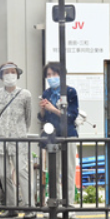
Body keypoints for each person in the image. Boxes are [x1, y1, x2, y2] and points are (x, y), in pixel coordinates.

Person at [0, 62, 34, 219]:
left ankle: (30, 207)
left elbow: (28, 118)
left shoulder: (25, 95)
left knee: (22, 172)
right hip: (0, 138)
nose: (10, 75)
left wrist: (21, 130)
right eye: (6, 72)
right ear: (1, 76)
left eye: (12, 72)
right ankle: (11, 207)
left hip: (18, 138)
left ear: (17, 74)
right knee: (3, 175)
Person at [38, 61, 79, 211]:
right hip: (52, 136)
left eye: (54, 74)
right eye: (48, 75)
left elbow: (71, 115)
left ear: (62, 75)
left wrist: (53, 109)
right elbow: (43, 118)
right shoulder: (46, 93)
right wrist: (43, 110)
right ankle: (54, 204)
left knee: (68, 171)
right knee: (53, 172)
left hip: (68, 134)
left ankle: (69, 206)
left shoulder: (70, 92)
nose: (51, 77)